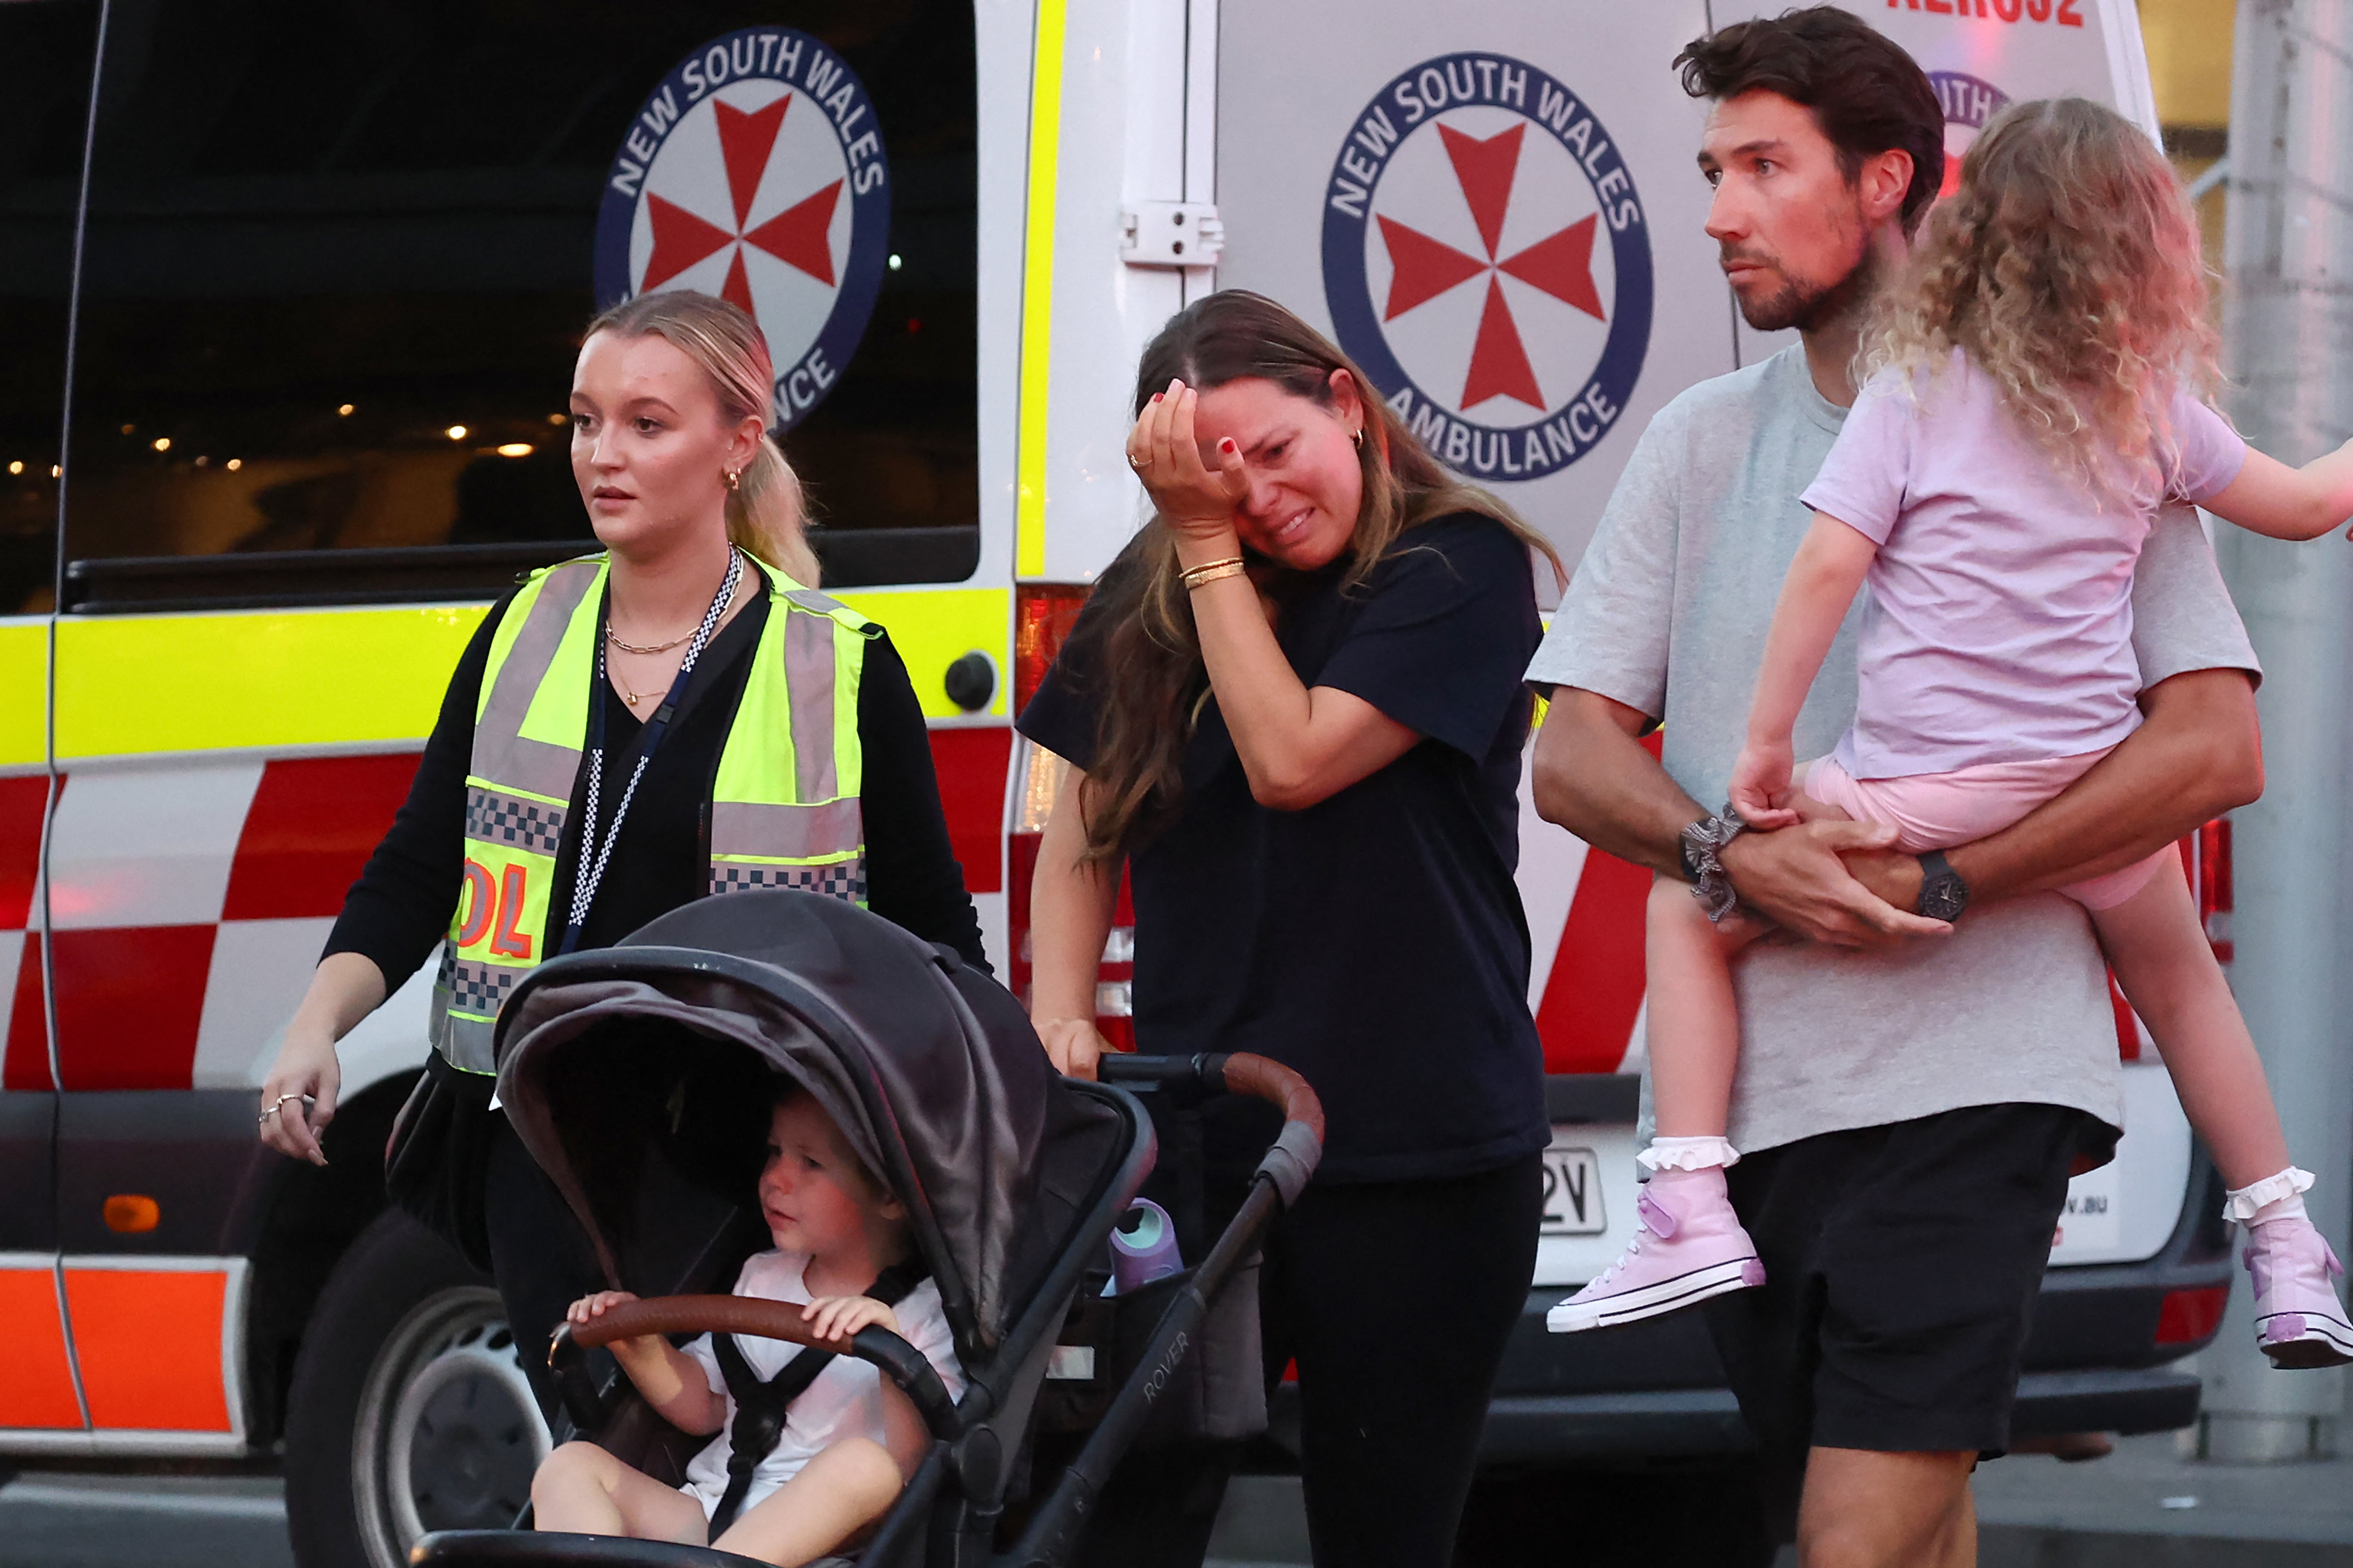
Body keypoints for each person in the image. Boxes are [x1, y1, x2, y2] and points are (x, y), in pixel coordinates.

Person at [1525, 13, 2265, 1565]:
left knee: (1850, 1542)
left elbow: (2213, 747)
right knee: (1910, 1530)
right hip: (1747, 1120)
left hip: (1977, 1082)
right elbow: (1573, 752)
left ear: (1887, 181)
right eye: (1713, 169)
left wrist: (1948, 883)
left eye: (1762, 167)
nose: (1719, 211)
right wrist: (1737, 854)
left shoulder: (2080, 408)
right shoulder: (1700, 440)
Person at [255, 290, 986, 1407]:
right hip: (538, 1151)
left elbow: (932, 922)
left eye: (646, 424)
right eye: (586, 420)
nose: (603, 454)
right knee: (599, 1465)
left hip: (751, 1167)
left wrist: (994, 1119)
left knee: (736, 1478)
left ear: (738, 444)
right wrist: (316, 1025)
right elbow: (419, 865)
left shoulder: (837, 664)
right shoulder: (523, 628)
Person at [1017, 289, 1558, 1568]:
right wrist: (1057, 1016)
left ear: (1347, 407)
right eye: (1215, 473)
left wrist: (1203, 546)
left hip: (1420, 1149)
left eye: (1274, 452)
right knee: (1118, 1520)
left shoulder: (1459, 563)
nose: (1254, 494)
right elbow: (1079, 840)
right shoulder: (1156, 590)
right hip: (1200, 1143)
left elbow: (1293, 758)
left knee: (1384, 1529)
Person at [533, 1080, 963, 1566]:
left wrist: (892, 1354)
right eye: (775, 1151)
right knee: (570, 1465)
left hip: (811, 1546)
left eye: (811, 1163)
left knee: (868, 1468)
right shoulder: (762, 1275)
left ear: (890, 1194)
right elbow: (708, 1408)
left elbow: (914, 1466)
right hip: (713, 1513)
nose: (776, 1177)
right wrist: (641, 1346)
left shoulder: (926, 1314)